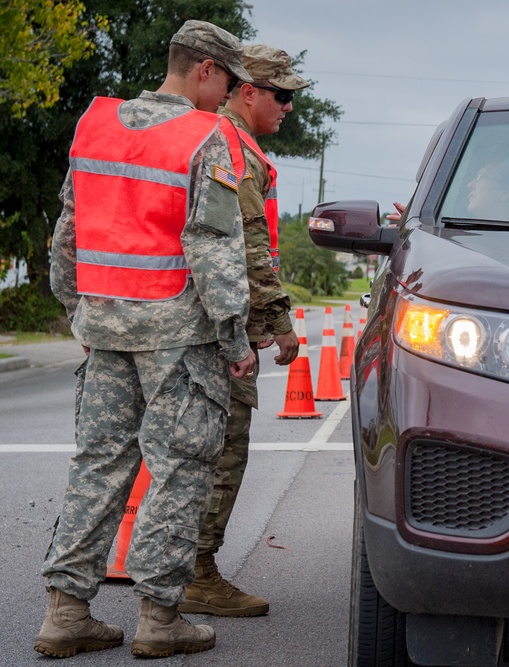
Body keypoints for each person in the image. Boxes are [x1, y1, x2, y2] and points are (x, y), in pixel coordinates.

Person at [36, 20, 255, 659]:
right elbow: (211, 245)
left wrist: (79, 310)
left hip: (104, 327)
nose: (229, 96)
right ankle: (160, 619)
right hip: (178, 336)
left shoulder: (95, 124)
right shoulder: (204, 136)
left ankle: (66, 613)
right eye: (229, 81)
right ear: (206, 70)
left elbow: (66, 234)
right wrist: (236, 337)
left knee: (98, 465)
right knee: (180, 469)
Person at [178, 44, 308, 618]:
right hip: (217, 330)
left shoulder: (223, 138)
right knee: (221, 453)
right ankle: (196, 574)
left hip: (198, 323)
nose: (288, 108)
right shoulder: (231, 145)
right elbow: (248, 243)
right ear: (246, 90)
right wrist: (277, 323)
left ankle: (181, 570)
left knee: (189, 452)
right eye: (281, 95)